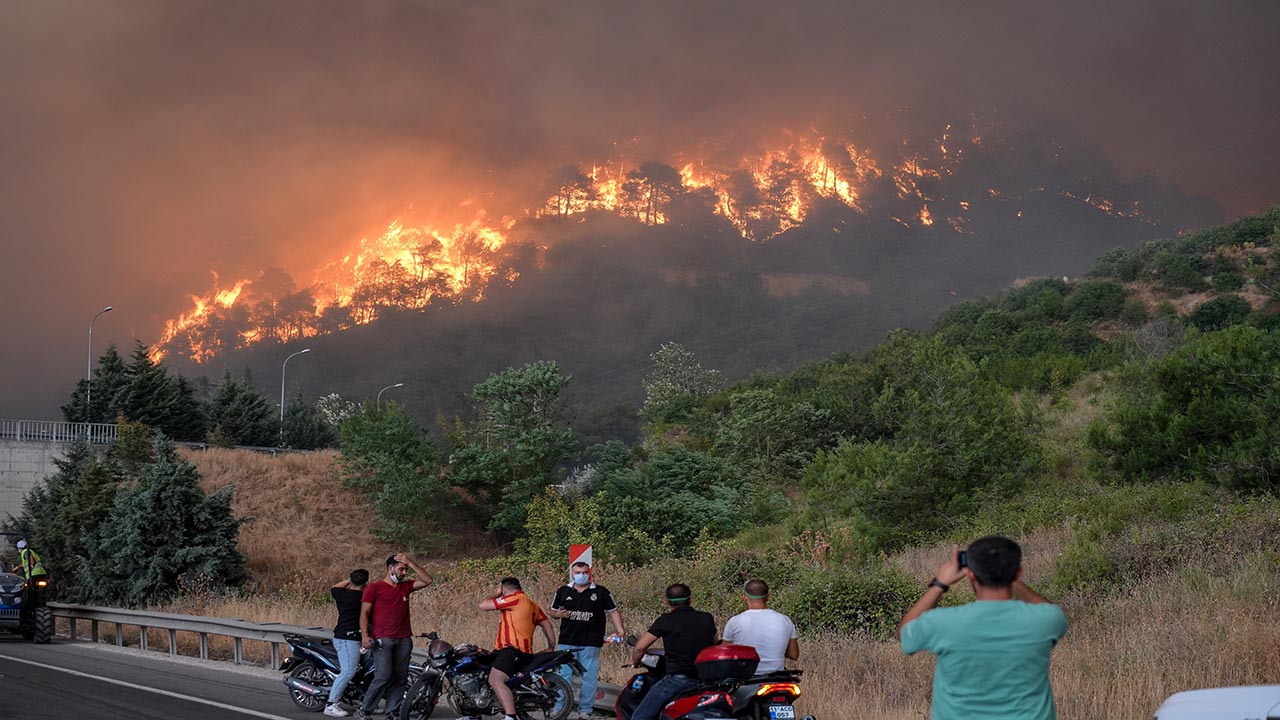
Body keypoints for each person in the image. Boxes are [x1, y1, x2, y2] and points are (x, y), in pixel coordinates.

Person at [898, 535, 1069, 720]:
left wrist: (940, 584)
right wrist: (1007, 576)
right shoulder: (1046, 620)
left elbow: (905, 634)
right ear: (1018, 573)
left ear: (970, 574)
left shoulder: (944, 622)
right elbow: (1050, 609)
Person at [547, 561, 627, 719]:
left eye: (584, 572)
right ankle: (559, 706)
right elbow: (553, 612)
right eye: (577, 572)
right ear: (572, 573)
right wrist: (559, 615)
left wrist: (620, 630)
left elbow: (613, 611)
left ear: (589, 573)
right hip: (567, 640)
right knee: (564, 675)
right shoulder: (563, 591)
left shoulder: (600, 591)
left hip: (591, 641)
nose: (581, 575)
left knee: (589, 677)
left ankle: (585, 710)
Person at [357, 554, 433, 720]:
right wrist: (365, 635)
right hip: (382, 639)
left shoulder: (405, 586)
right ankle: (365, 710)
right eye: (401, 569)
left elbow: (428, 580)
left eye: (405, 569)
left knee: (400, 678)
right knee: (383, 676)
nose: (404, 572)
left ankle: (391, 711)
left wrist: (411, 563)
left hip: (404, 639)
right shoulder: (374, 588)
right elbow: (364, 612)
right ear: (390, 568)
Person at [629, 583, 717, 720]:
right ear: (690, 600)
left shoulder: (666, 620)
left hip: (678, 680)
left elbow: (640, 647)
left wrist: (635, 661)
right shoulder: (707, 618)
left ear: (667, 602)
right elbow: (714, 644)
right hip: (707, 680)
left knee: (640, 716)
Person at [478, 576, 556, 720]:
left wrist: (497, 592)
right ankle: (474, 714)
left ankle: (510, 716)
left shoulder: (514, 599)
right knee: (481, 673)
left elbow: (483, 605)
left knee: (495, 680)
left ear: (504, 588)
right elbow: (547, 625)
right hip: (519, 652)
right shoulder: (533, 604)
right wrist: (551, 646)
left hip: (512, 650)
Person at [719, 578, 798, 673]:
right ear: (769, 597)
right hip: (776, 679)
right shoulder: (785, 620)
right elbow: (794, 655)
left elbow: (725, 653)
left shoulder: (734, 622)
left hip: (745, 679)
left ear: (744, 597)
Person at [324, 568, 370, 717]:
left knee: (359, 669)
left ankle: (359, 699)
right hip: (348, 639)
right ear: (365, 582)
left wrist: (349, 580)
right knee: (349, 670)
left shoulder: (341, 594)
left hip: (343, 635)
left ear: (351, 581)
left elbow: (335, 587)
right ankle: (331, 704)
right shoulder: (363, 597)